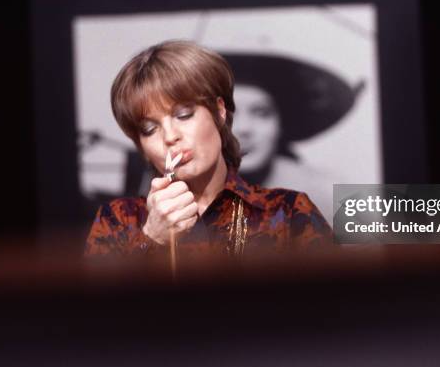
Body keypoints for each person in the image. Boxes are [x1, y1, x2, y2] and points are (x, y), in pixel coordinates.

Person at [84, 40, 333, 260]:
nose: (170, 136)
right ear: (140, 146)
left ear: (220, 112)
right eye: (149, 130)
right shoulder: (117, 221)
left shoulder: (289, 213)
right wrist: (152, 240)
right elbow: (96, 312)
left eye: (184, 115)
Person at [223, 53, 365, 225]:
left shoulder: (328, 193)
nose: (244, 128)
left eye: (261, 113)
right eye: (228, 116)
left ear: (281, 122)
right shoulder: (187, 195)